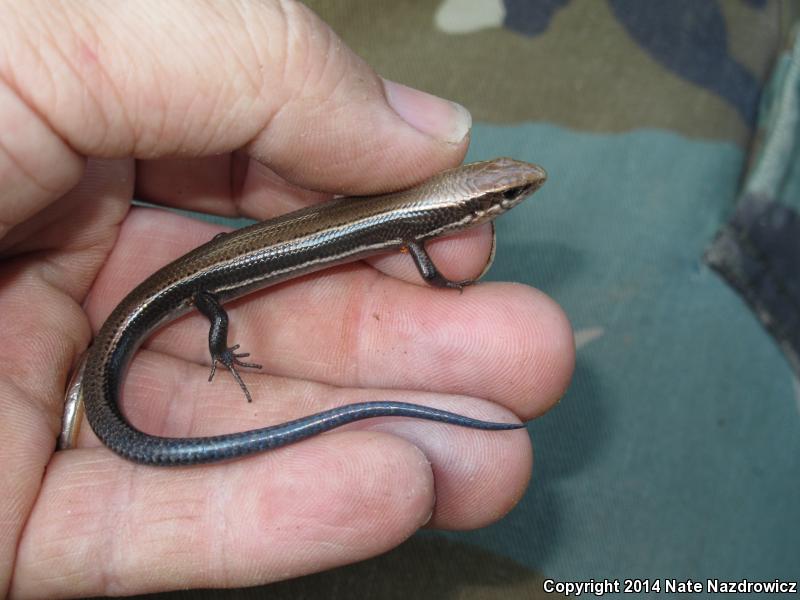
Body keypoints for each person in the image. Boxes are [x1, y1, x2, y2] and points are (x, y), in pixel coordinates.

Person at [0, 1, 574, 596]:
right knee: (213, 310)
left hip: (202, 273)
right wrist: (439, 284)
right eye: (507, 193)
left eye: (509, 193)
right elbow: (426, 269)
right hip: (199, 287)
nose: (514, 195)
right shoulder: (416, 227)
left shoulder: (414, 218)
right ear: (472, 208)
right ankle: (218, 353)